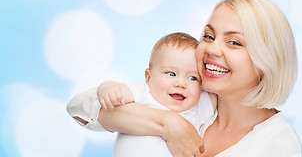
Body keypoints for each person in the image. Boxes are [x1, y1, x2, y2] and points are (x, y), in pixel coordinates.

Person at [68, 0, 302, 157]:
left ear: (267, 60)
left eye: (234, 42)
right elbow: (81, 108)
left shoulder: (278, 143)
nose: (211, 49)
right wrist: (168, 124)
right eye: (209, 36)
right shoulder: (190, 98)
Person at [67, 32, 216, 156]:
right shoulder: (143, 93)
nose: (181, 84)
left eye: (192, 78)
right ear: (148, 77)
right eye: (171, 73)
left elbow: (225, 95)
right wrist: (107, 88)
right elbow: (114, 92)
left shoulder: (195, 109)